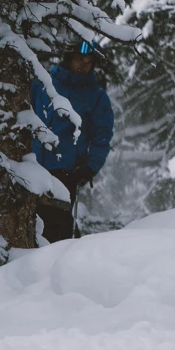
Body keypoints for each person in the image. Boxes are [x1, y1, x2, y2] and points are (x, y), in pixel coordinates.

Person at [30, 41, 115, 242]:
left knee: (57, 229)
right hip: (31, 166)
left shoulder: (96, 96)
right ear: (69, 58)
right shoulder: (43, 82)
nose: (83, 66)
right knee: (28, 224)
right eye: (79, 59)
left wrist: (90, 167)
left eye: (88, 62)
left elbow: (102, 136)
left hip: (65, 171)